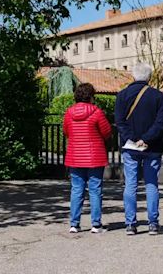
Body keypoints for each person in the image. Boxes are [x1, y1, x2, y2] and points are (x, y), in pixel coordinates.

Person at [115, 63, 163, 236]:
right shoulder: (158, 96)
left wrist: (132, 139)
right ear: (149, 77)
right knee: (151, 184)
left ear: (133, 76)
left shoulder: (122, 95)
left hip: (130, 147)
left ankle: (130, 224)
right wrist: (145, 139)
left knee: (131, 184)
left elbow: (120, 122)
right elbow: (160, 123)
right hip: (152, 147)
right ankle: (153, 223)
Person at [63, 83, 112, 233]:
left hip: (75, 157)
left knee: (76, 190)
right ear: (91, 96)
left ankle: (74, 224)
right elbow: (107, 132)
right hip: (94, 157)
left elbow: (66, 132)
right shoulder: (97, 112)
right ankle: (96, 224)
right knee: (95, 190)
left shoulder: (69, 113)